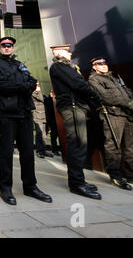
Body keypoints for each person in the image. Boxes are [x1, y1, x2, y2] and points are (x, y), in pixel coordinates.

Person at [0, 36, 52, 206]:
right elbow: (2, 86)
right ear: (0, 47)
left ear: (13, 48)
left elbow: (32, 81)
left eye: (9, 45)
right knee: (6, 152)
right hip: (8, 113)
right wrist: (23, 86)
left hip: (24, 111)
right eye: (4, 45)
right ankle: (5, 188)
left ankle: (30, 186)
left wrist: (23, 85)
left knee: (28, 152)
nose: (7, 47)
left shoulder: (19, 64)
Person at [88, 57, 133, 189]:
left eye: (104, 63)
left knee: (132, 147)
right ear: (94, 67)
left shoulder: (115, 78)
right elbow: (106, 97)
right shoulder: (94, 79)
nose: (104, 65)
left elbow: (128, 92)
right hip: (113, 115)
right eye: (99, 64)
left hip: (127, 115)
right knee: (113, 146)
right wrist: (128, 104)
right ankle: (116, 176)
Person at [49, 44, 102, 200]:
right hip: (72, 107)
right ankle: (76, 183)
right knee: (77, 144)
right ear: (58, 52)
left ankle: (80, 181)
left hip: (77, 107)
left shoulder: (67, 67)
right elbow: (77, 83)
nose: (70, 54)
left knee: (80, 145)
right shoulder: (58, 66)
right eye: (67, 51)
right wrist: (94, 95)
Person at [32, 82, 54, 159]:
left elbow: (47, 101)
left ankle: (43, 150)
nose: (38, 86)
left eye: (38, 85)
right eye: (37, 85)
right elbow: (42, 99)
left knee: (44, 135)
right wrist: (38, 91)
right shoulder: (34, 93)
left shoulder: (40, 93)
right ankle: (39, 151)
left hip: (44, 116)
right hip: (38, 116)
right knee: (39, 134)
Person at [44, 90, 61, 156]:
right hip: (49, 119)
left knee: (54, 134)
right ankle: (51, 149)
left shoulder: (54, 100)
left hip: (53, 119)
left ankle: (54, 149)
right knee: (48, 134)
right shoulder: (48, 100)